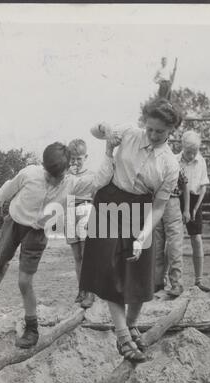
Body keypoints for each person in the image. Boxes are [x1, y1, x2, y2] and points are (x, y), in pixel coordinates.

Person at [0, 142, 114, 348]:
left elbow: (100, 180)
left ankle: (32, 328)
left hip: (37, 232)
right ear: (43, 166)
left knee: (24, 281)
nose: (54, 181)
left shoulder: (72, 183)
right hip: (15, 222)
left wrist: (109, 153)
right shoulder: (30, 173)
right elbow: (10, 186)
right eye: (49, 175)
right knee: (1, 261)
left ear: (67, 170)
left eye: (59, 176)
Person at [80, 98, 181, 363]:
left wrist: (144, 235)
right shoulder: (129, 133)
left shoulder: (170, 164)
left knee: (140, 274)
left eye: (160, 131)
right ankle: (123, 336)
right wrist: (104, 128)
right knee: (110, 271)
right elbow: (95, 131)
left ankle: (132, 323)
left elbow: (159, 207)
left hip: (141, 211)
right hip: (109, 201)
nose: (153, 135)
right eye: (150, 128)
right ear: (144, 123)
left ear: (171, 130)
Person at [177, 130, 210, 292]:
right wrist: (183, 208)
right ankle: (168, 280)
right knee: (174, 241)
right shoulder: (176, 161)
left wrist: (194, 209)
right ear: (182, 147)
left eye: (194, 152)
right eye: (188, 152)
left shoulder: (201, 161)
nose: (191, 156)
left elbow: (203, 186)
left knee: (196, 239)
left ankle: (198, 280)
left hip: (195, 201)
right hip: (178, 200)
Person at [66, 138, 95, 308]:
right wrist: (68, 175)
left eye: (79, 158)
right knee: (77, 256)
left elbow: (97, 195)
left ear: (86, 157)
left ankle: (90, 292)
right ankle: (81, 289)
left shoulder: (91, 175)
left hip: (86, 209)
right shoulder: (66, 175)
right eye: (72, 158)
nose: (76, 162)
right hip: (69, 211)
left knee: (87, 255)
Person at [155, 166, 190, 296]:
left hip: (172, 201)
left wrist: (186, 209)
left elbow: (185, 185)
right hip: (155, 203)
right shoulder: (148, 161)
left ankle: (176, 283)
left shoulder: (174, 162)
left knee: (174, 244)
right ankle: (157, 282)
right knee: (156, 245)